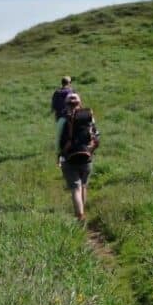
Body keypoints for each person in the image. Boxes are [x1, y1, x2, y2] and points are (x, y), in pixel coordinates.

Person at [56, 93, 100, 221]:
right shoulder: (88, 116)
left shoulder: (62, 119)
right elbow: (96, 135)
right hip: (86, 156)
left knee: (75, 188)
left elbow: (57, 140)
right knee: (84, 185)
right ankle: (82, 211)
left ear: (66, 104)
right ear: (80, 103)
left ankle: (80, 215)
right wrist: (91, 150)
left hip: (69, 157)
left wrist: (59, 155)